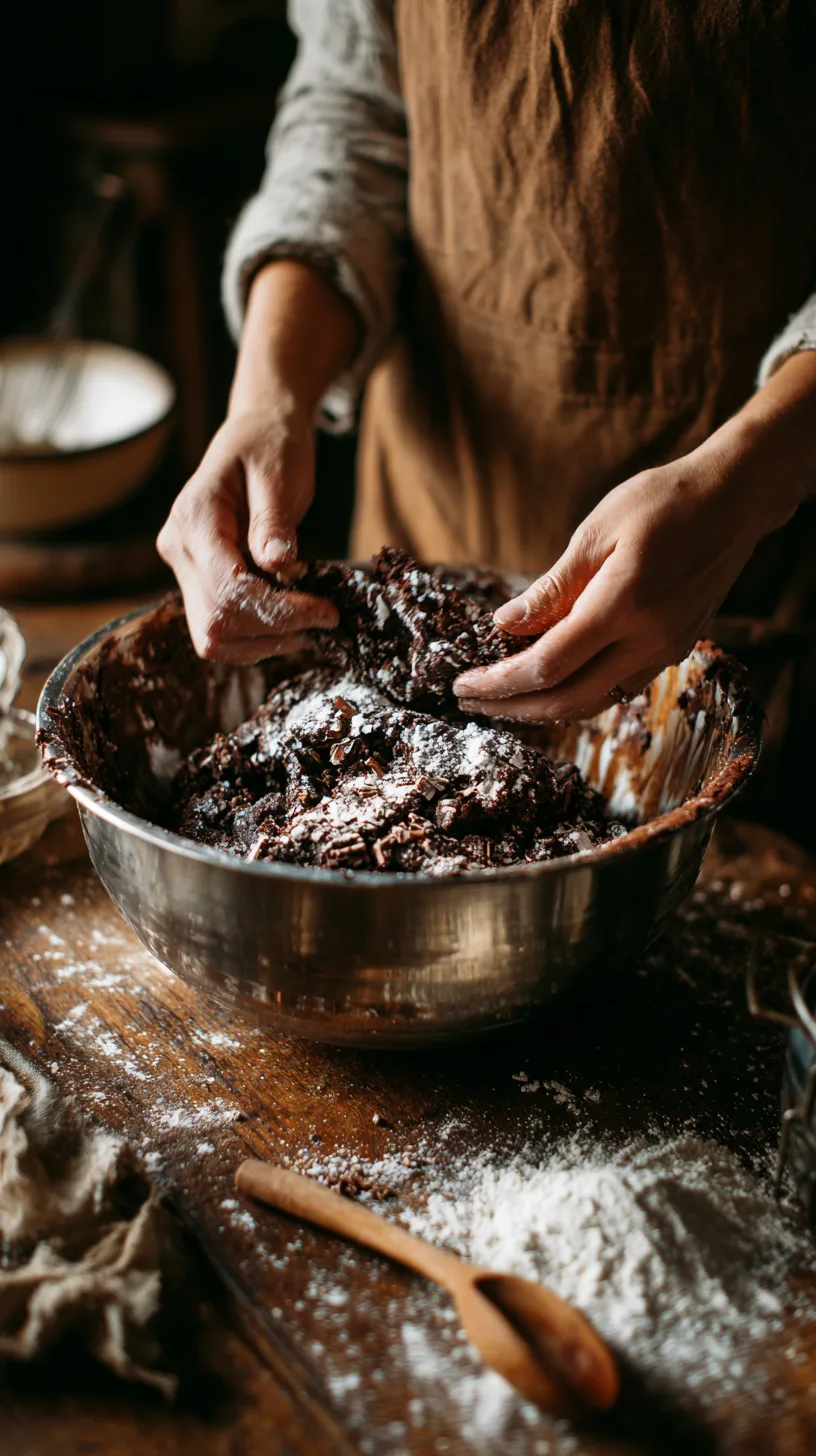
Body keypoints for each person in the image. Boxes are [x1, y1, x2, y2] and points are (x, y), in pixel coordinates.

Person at [157, 0, 816, 724]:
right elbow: (352, 115)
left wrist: (745, 479)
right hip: (438, 496)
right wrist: (265, 399)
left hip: (754, 543)